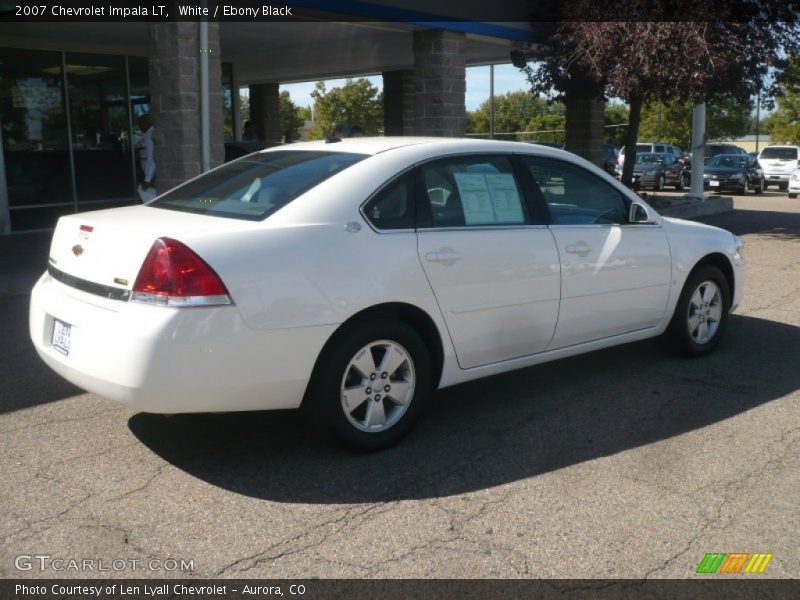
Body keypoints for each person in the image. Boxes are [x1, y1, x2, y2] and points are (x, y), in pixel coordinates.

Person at [136, 114, 156, 202]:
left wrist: (147, 179)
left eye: (140, 124)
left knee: (149, 197)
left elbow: (151, 158)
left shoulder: (150, 136)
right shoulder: (146, 135)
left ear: (146, 123)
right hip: (147, 173)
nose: (139, 127)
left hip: (150, 175)